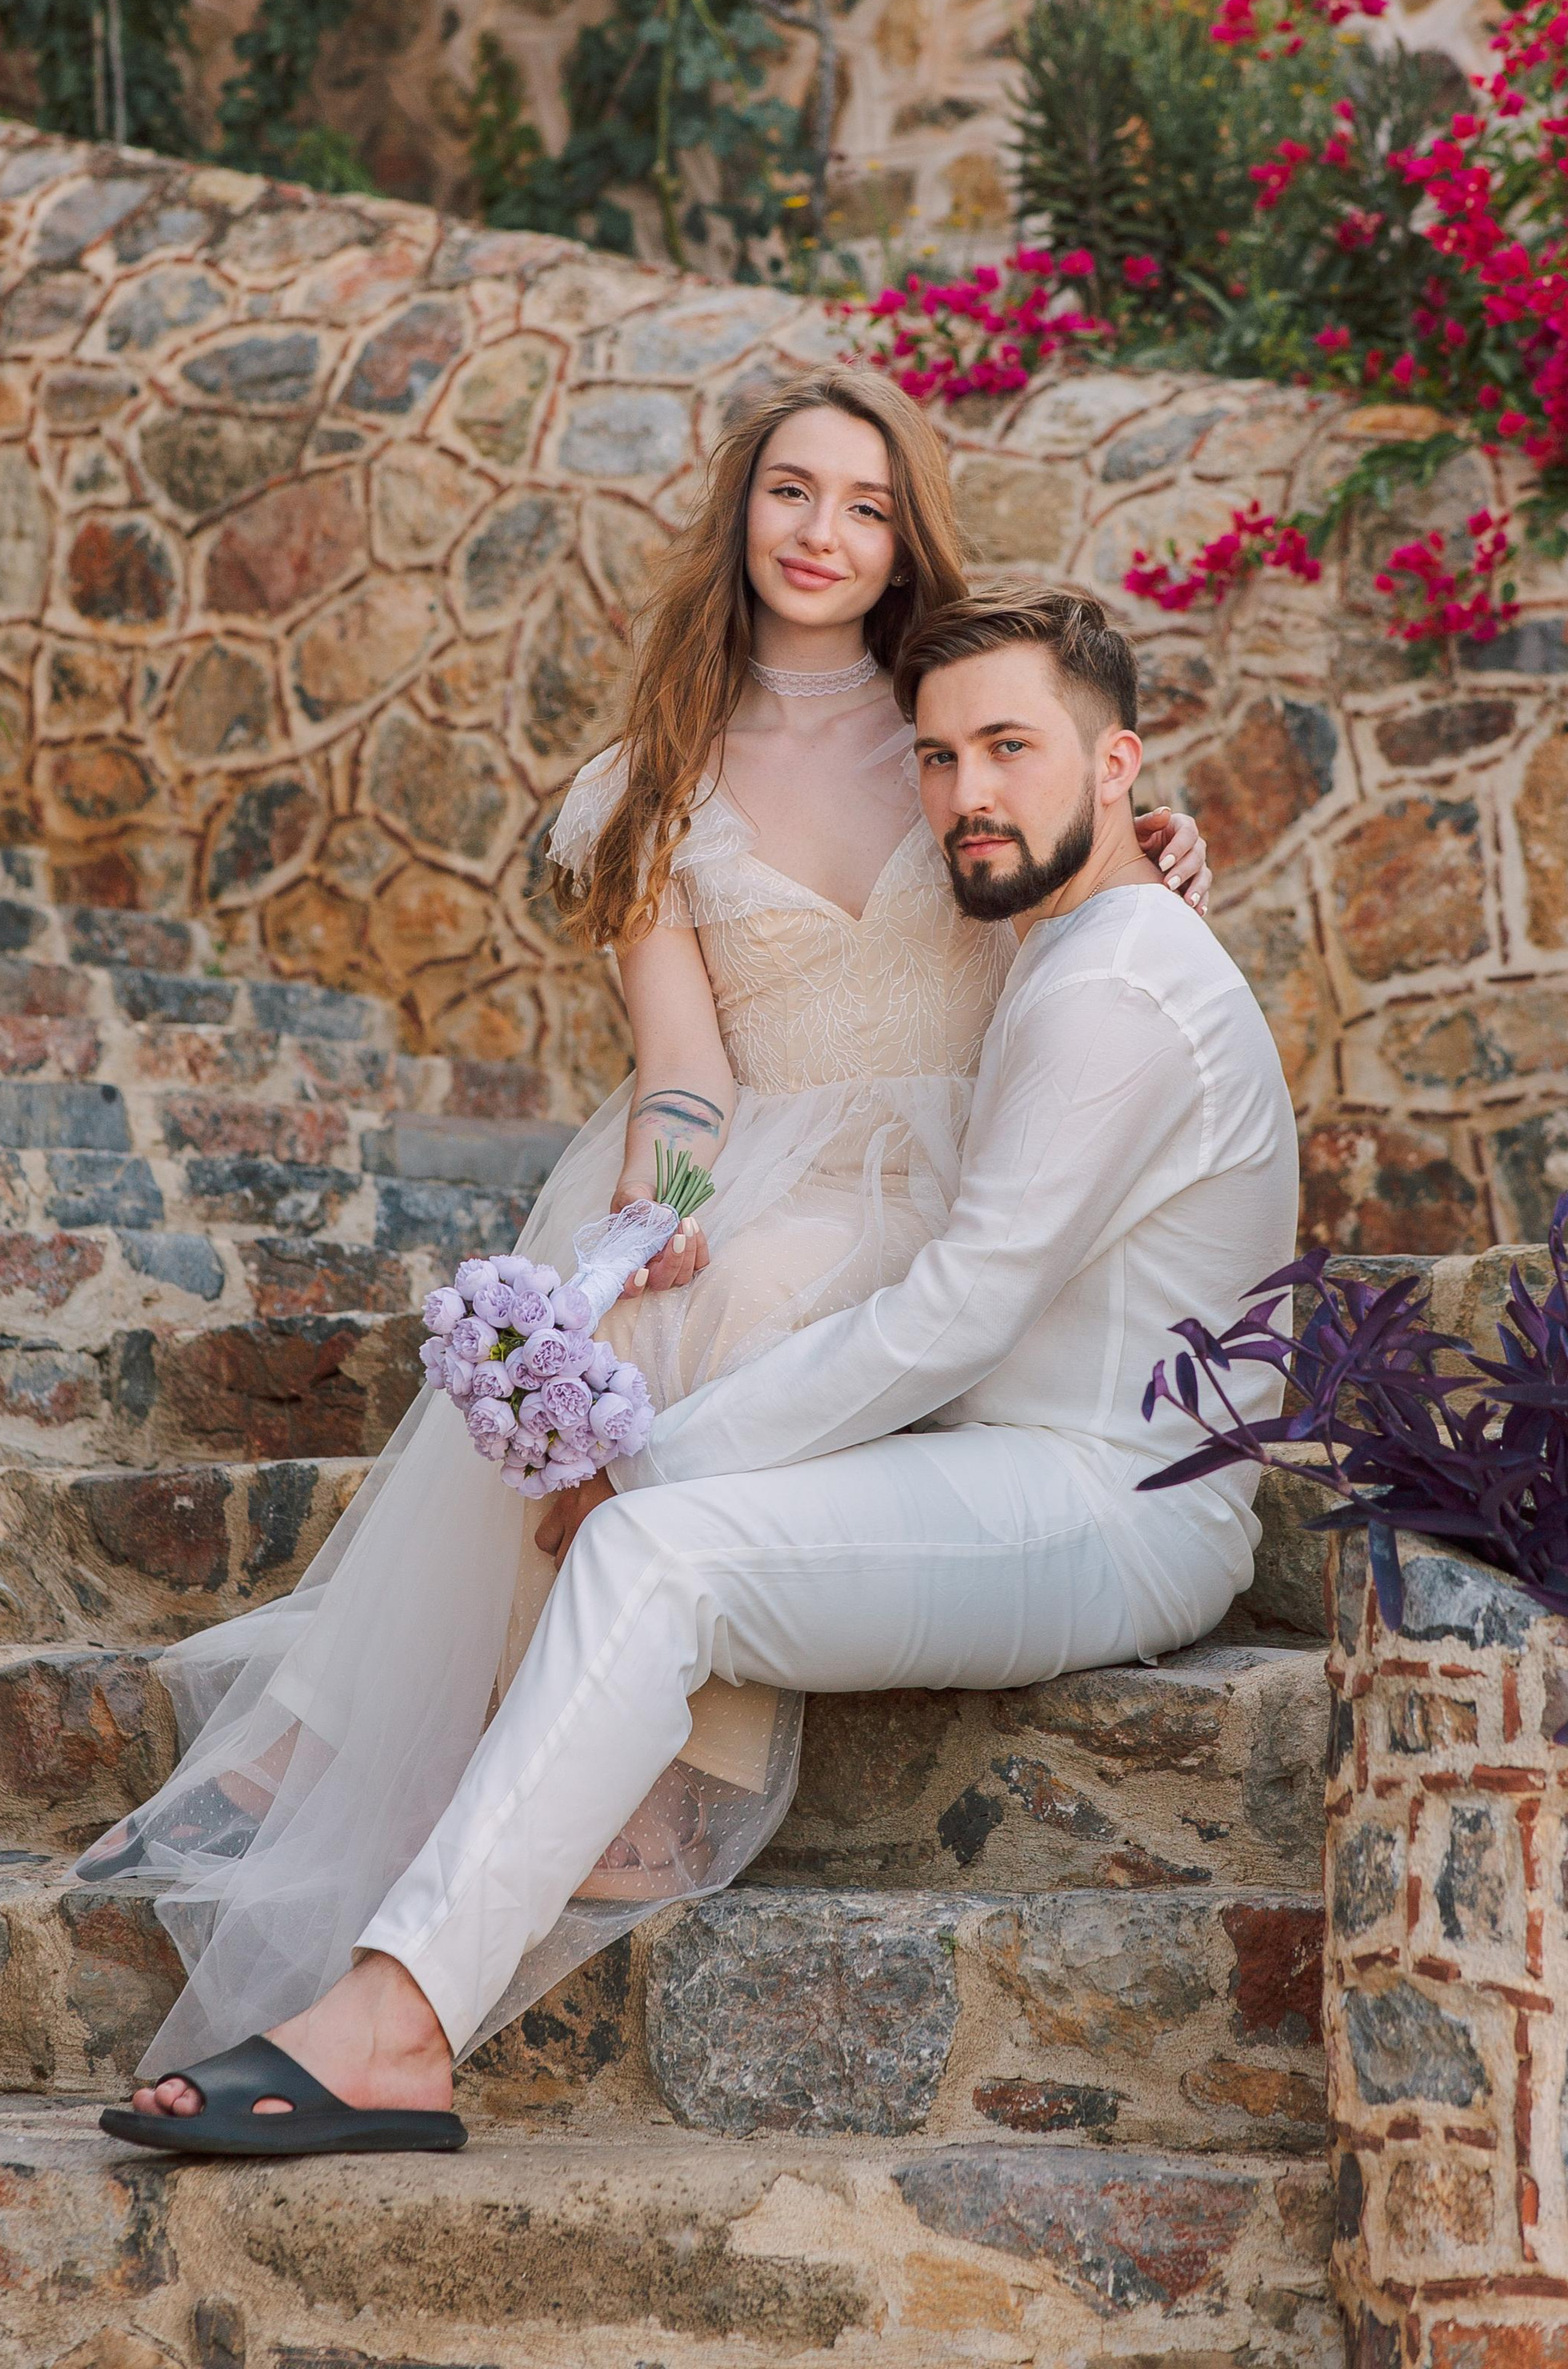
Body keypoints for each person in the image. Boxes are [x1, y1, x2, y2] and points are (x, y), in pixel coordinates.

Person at [99, 581, 1293, 2159]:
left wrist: (644, 1457)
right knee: (658, 1532)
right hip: (1011, 1465)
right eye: (937, 759)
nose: (966, 795)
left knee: (657, 1551)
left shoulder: (1119, 984)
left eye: (1009, 747)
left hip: (1112, 1501)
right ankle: (390, 2019)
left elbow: (956, 1315)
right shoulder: (1069, 949)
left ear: (1122, 764)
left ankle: (394, 2028)